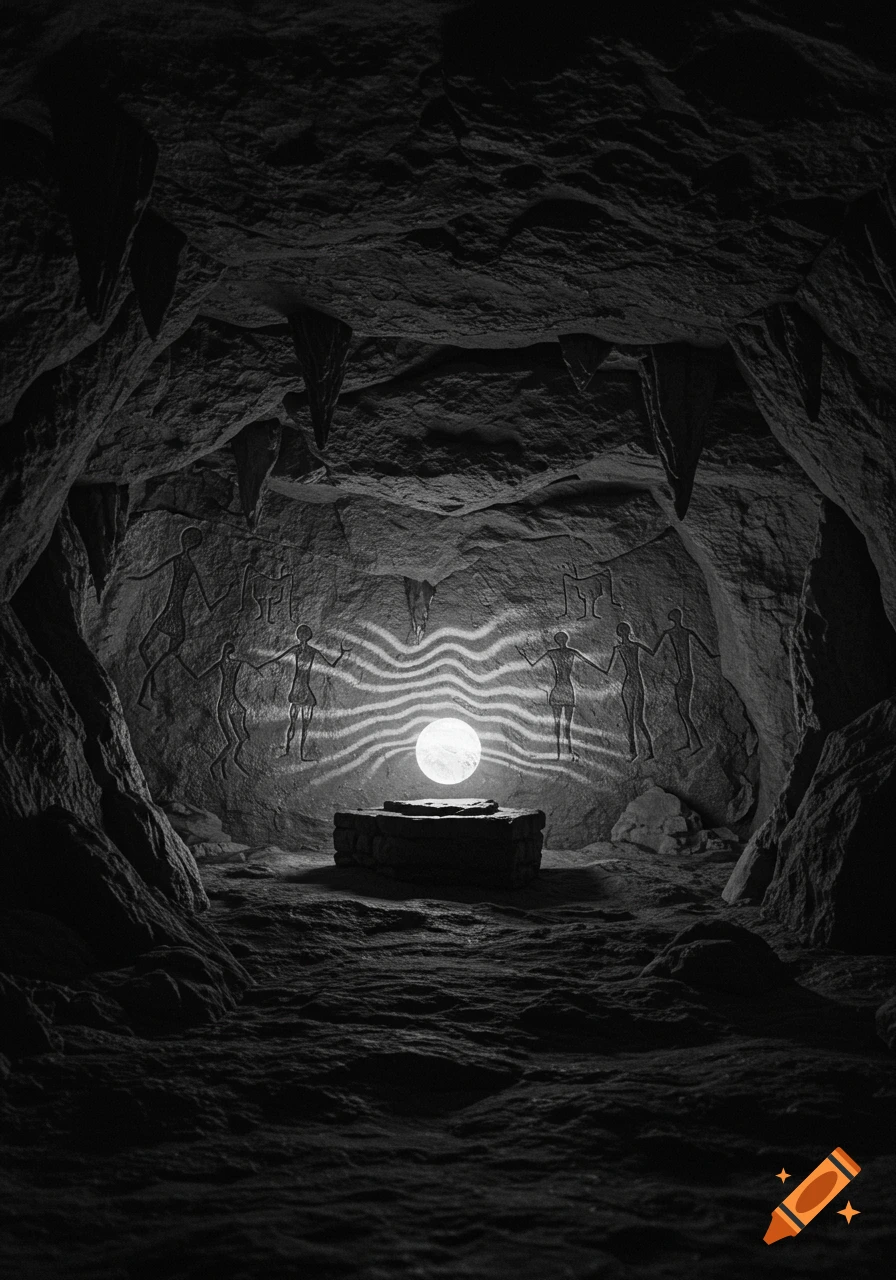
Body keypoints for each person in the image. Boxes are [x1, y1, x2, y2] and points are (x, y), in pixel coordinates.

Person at [131, 527, 230, 708]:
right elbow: (209, 604)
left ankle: (151, 688)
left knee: (148, 650)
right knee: (150, 651)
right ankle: (153, 687)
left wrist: (134, 578)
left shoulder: (178, 561)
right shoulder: (190, 566)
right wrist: (224, 595)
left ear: (186, 542)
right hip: (173, 617)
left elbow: (149, 574)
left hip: (171, 616)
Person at [259, 623, 350, 760]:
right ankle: (290, 751)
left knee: (301, 725)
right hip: (299, 689)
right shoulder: (303, 650)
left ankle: (299, 754)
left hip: (301, 689)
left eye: (303, 635)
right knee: (296, 724)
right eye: (301, 635)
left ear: (305, 636)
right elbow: (278, 658)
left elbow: (331, 665)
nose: (302, 637)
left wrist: (341, 655)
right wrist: (261, 665)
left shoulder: (308, 651)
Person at [517, 631, 603, 761]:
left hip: (565, 689)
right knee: (558, 724)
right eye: (560, 638)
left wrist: (604, 671)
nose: (561, 640)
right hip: (561, 689)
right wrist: (524, 655)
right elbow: (533, 664)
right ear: (559, 640)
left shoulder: (561, 652)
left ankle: (567, 751)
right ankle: (559, 753)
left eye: (562, 638)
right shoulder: (560, 652)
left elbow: (590, 663)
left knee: (566, 725)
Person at [184, 641, 255, 780]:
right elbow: (200, 677)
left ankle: (231, 761)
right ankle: (217, 764)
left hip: (233, 701)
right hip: (225, 703)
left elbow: (199, 676)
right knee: (233, 741)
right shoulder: (227, 664)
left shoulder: (235, 664)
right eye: (230, 653)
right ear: (228, 653)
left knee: (241, 737)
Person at [653, 608, 718, 751]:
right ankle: (691, 741)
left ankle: (696, 742)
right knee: (682, 711)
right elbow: (708, 652)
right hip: (682, 675)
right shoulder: (687, 632)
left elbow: (654, 652)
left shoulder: (669, 633)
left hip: (683, 676)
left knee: (684, 712)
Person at [598, 622, 656, 762]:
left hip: (631, 683)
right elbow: (653, 652)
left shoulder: (619, 648)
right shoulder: (635, 646)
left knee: (634, 720)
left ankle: (638, 751)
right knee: (636, 720)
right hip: (634, 683)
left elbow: (607, 670)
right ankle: (643, 751)